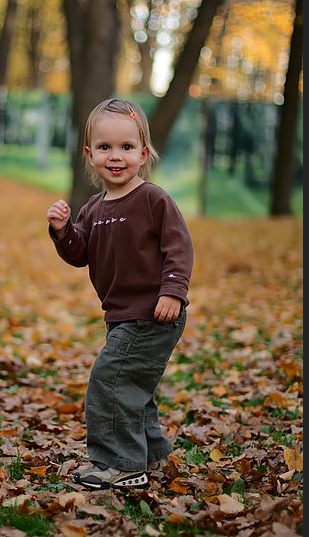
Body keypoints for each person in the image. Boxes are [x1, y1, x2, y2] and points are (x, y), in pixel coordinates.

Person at [47, 98, 193, 490]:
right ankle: (152, 454)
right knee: (132, 388)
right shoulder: (93, 208)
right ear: (89, 153)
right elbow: (80, 253)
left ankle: (122, 464)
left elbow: (179, 248)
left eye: (127, 147)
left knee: (110, 383)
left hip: (154, 312)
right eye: (105, 147)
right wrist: (63, 231)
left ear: (143, 153)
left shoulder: (153, 200)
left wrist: (173, 291)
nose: (116, 156)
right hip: (122, 316)